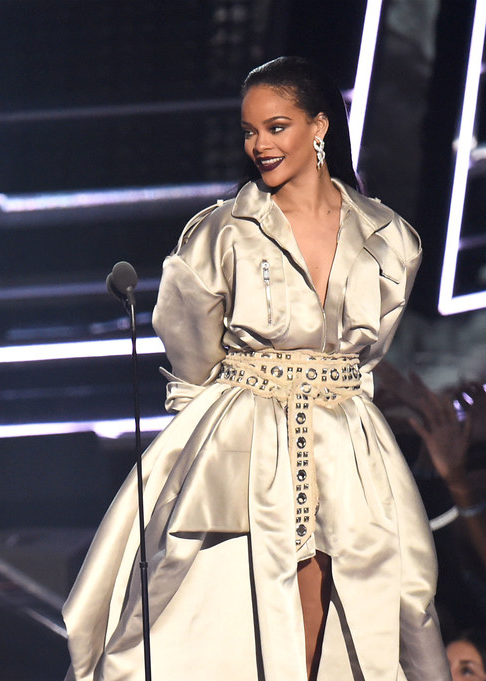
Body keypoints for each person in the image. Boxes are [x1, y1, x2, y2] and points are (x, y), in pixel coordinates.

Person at [63, 57, 449, 680]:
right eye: (250, 132)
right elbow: (188, 343)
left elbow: (369, 352)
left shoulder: (390, 238)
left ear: (319, 125)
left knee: (368, 580)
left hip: (346, 431)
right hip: (242, 431)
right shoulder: (221, 233)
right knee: (209, 584)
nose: (260, 145)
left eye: (276, 127)